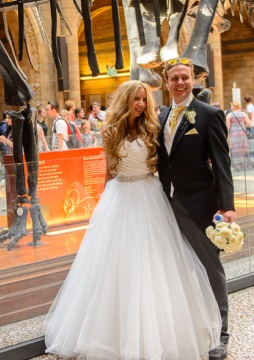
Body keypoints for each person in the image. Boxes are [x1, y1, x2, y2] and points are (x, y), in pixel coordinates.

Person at [45, 80, 222, 359]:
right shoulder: (110, 129)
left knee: (152, 261)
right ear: (126, 100)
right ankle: (111, 334)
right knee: (116, 263)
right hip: (120, 195)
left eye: (143, 99)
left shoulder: (151, 127)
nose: (140, 104)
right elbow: (108, 169)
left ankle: (157, 333)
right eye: (136, 99)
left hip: (149, 195)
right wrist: (103, 204)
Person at [156, 58, 236, 360]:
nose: (180, 83)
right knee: (177, 268)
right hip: (165, 205)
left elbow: (222, 163)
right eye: (174, 78)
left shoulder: (209, 115)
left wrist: (227, 206)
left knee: (210, 268)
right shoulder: (161, 116)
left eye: (185, 77)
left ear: (193, 79)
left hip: (200, 204)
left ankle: (220, 334)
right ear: (166, 83)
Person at [226, 101, 253, 171]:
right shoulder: (243, 114)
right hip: (242, 134)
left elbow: (227, 127)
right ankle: (246, 165)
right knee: (243, 149)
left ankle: (237, 166)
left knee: (235, 150)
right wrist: (242, 125)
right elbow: (249, 123)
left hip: (233, 135)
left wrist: (228, 139)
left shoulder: (229, 115)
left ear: (233, 107)